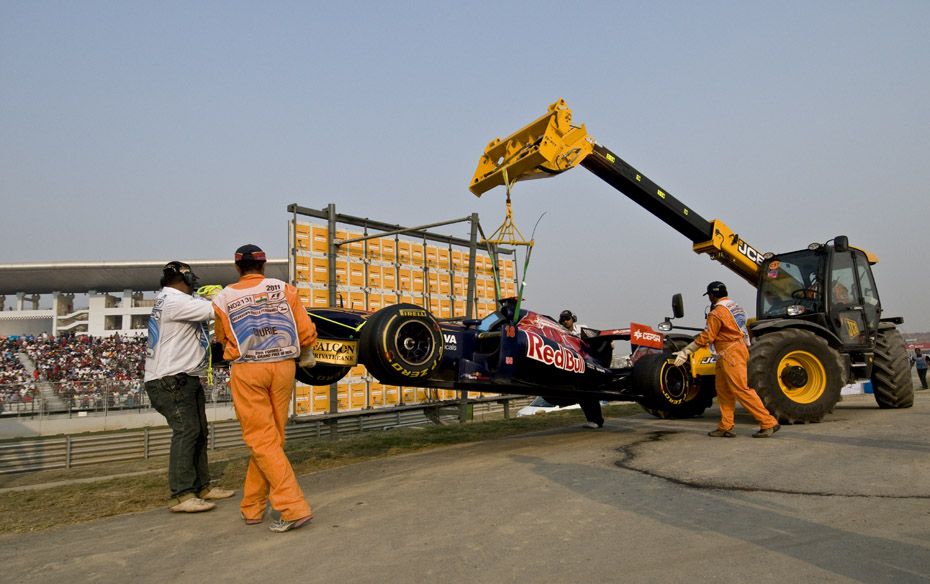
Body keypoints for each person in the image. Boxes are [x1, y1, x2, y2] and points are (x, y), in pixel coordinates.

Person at [213, 244, 318, 533]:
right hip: (284, 367)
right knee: (272, 439)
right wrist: (306, 351)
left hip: (248, 369)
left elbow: (221, 339)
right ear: (264, 265)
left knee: (262, 440)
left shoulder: (223, 298)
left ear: (237, 267)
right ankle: (252, 506)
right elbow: (306, 330)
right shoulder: (283, 288)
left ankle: (292, 506)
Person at [144, 261, 235, 513]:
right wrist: (220, 295)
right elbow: (217, 311)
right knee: (187, 432)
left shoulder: (169, 299)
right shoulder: (175, 301)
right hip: (171, 379)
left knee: (199, 432)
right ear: (183, 279)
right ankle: (182, 494)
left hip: (181, 377)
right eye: (191, 279)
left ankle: (201, 486)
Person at [673, 281, 781, 438]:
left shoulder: (716, 313)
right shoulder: (735, 307)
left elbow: (707, 336)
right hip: (732, 351)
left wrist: (686, 351)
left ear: (712, 295)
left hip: (730, 353)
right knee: (723, 390)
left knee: (740, 389)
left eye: (709, 295)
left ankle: (768, 422)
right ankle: (725, 426)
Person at [558, 309, 603, 429]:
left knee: (590, 393)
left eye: (567, 319)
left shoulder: (583, 329)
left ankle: (597, 420)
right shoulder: (559, 332)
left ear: (573, 319)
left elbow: (597, 339)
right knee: (581, 394)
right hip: (574, 366)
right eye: (562, 320)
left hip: (589, 363)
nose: (565, 321)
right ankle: (591, 420)